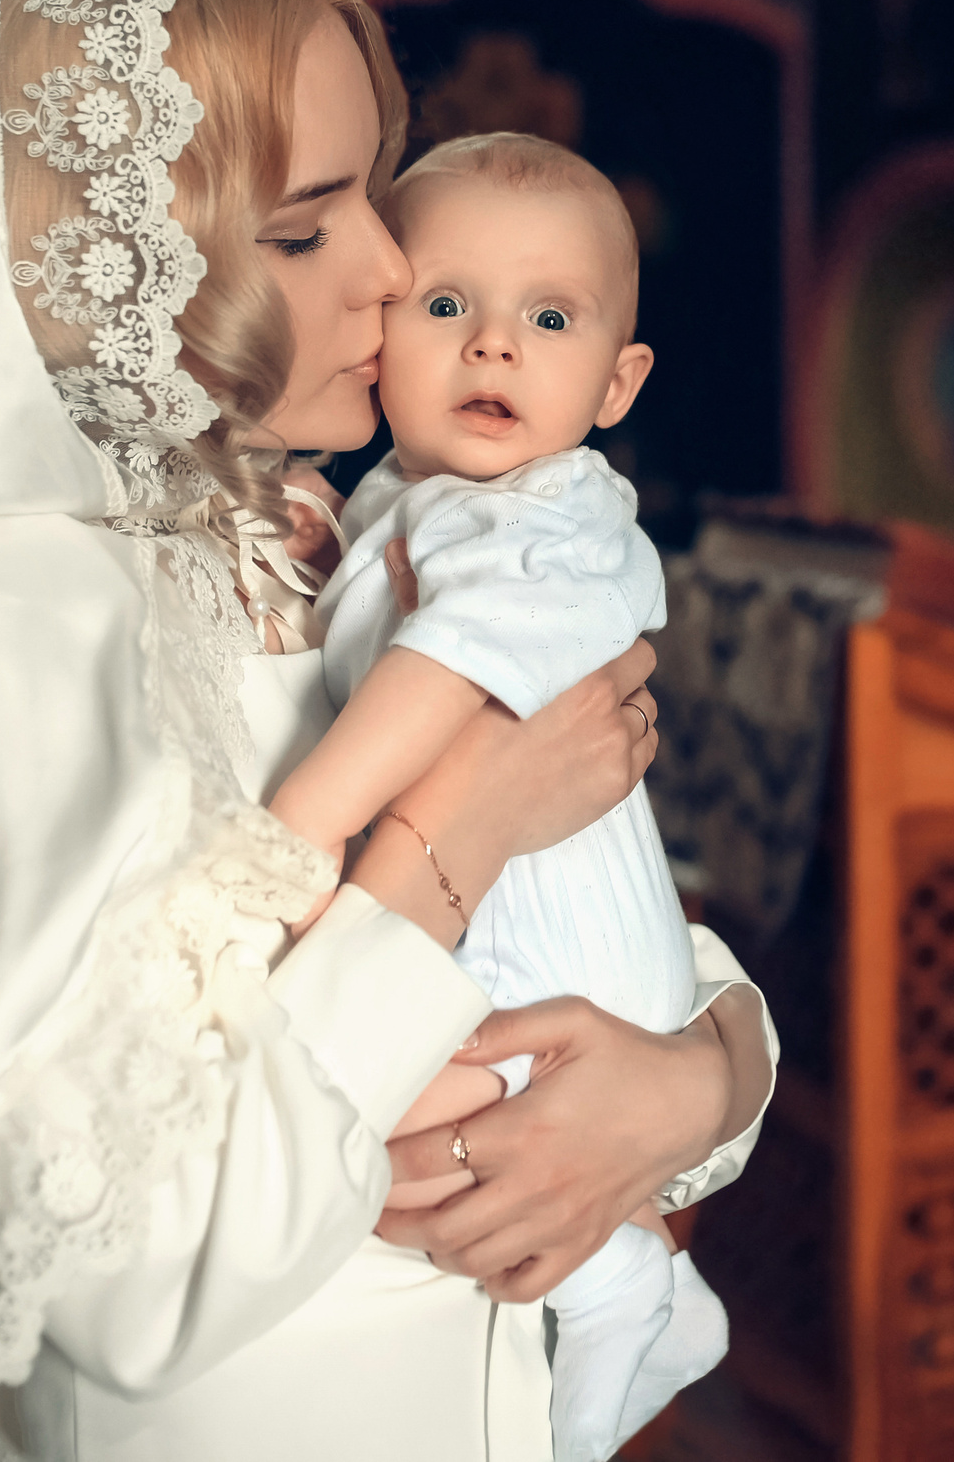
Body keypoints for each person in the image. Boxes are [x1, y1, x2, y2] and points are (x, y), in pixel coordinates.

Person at [0, 0, 776, 1462]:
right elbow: (109, 1247)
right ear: (117, 248)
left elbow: (600, 913)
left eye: (378, 202)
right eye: (307, 225)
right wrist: (447, 836)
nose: (395, 272)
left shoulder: (317, 537)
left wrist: (701, 1078)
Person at [266, 132, 720, 1460]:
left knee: (447, 1129)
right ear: (384, 333)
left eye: (550, 317)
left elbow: (448, 659)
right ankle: (643, 1284)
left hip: (561, 932)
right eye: (448, 305)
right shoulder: (419, 496)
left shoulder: (538, 512)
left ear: (620, 378)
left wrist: (306, 818)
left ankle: (626, 1287)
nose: (493, 348)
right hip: (546, 908)